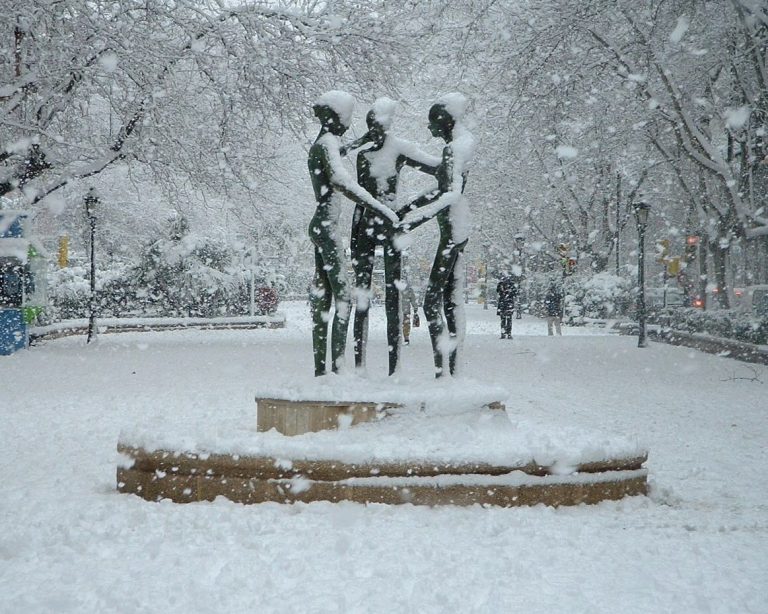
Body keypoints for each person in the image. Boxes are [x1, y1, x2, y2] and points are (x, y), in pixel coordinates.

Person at [342, 97, 439, 375]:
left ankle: (394, 369)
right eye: (370, 127)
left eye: (378, 126)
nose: (375, 131)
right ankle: (360, 366)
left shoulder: (398, 149)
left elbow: (438, 171)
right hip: (364, 226)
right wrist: (357, 142)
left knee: (393, 299)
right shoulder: (363, 154)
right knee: (361, 298)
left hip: (390, 224)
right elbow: (353, 188)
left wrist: (409, 208)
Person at [307, 91, 399, 376]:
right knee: (344, 298)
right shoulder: (326, 144)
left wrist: (361, 142)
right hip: (327, 227)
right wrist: (382, 209)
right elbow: (344, 183)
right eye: (346, 118)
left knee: (323, 300)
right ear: (336, 117)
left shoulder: (326, 143)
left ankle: (322, 372)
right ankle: (336, 370)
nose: (348, 124)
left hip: (321, 225)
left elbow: (340, 154)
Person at [399, 93, 475, 377]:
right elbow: (441, 184)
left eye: (432, 123)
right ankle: (451, 370)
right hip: (456, 228)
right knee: (450, 298)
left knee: (433, 301)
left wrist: (413, 220)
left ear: (444, 120)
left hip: (452, 231)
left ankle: (443, 370)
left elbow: (450, 193)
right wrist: (409, 207)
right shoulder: (461, 145)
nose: (430, 129)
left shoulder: (455, 148)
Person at [496, 272, 518, 339]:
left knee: (504, 320)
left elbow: (498, 291)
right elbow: (515, 293)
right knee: (508, 319)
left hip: (504, 304)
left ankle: (504, 333)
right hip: (508, 304)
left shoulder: (502, 284)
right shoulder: (510, 285)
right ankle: (508, 333)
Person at [400, 280, 420, 345]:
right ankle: (406, 337)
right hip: (406, 310)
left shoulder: (396, 289)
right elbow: (413, 300)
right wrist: (415, 308)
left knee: (398, 324)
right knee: (406, 324)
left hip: (398, 310)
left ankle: (397, 336)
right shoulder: (409, 289)